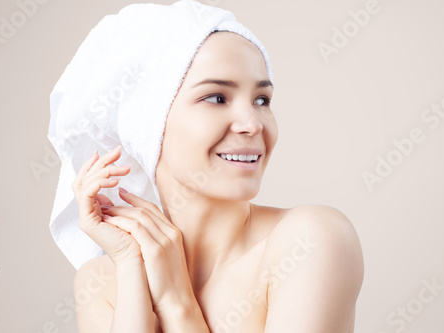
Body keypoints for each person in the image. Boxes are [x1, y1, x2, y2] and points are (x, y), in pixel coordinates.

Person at [50, 1, 363, 332]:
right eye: (217, 98)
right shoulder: (103, 281)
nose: (253, 124)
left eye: (262, 100)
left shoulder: (309, 240)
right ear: (149, 125)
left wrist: (177, 303)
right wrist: (131, 265)